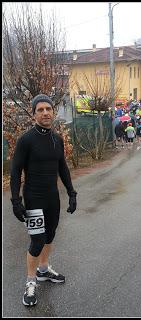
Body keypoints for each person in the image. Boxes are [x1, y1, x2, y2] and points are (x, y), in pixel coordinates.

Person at [10, 94, 77, 307]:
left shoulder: (57, 139)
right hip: (33, 198)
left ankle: (43, 270)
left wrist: (72, 193)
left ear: (53, 112)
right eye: (40, 110)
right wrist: (15, 200)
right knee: (37, 240)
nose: (45, 112)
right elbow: (15, 171)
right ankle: (30, 282)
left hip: (52, 198)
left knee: (49, 236)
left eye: (48, 109)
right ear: (34, 114)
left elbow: (62, 168)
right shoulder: (26, 140)